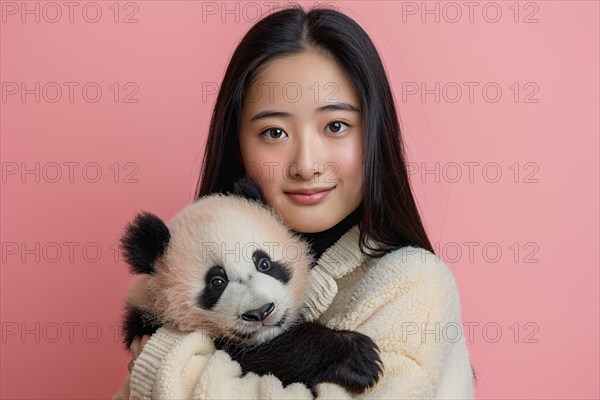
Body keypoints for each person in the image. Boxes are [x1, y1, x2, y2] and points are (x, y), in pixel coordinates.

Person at [114, 5, 475, 399]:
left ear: (374, 134)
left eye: (336, 126)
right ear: (238, 147)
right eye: (274, 132)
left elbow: (177, 368)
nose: (306, 165)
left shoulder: (415, 283)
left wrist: (168, 359)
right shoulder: (187, 266)